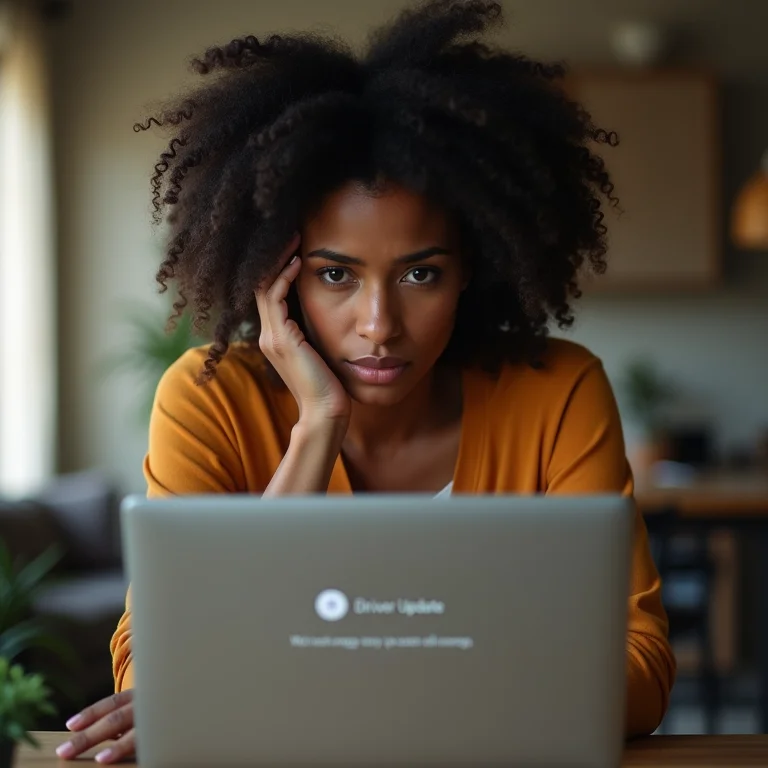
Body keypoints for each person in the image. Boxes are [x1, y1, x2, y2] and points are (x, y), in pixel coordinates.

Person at [56, 0, 676, 762]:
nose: (379, 323)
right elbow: (164, 671)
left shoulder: (557, 393)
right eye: (335, 275)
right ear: (273, 279)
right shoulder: (209, 398)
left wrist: (306, 694)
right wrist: (319, 425)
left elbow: (640, 666)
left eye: (421, 272)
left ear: (473, 270)